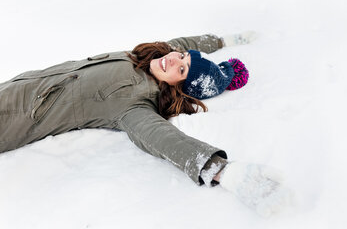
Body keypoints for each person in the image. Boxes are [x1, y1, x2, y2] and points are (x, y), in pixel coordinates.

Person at [0, 32, 290, 216]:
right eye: (181, 57)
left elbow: (161, 137)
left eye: (182, 69)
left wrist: (221, 170)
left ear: (179, 86)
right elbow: (184, 44)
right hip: (12, 89)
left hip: (10, 119)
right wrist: (223, 41)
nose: (174, 59)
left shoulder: (135, 103)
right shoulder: (146, 58)